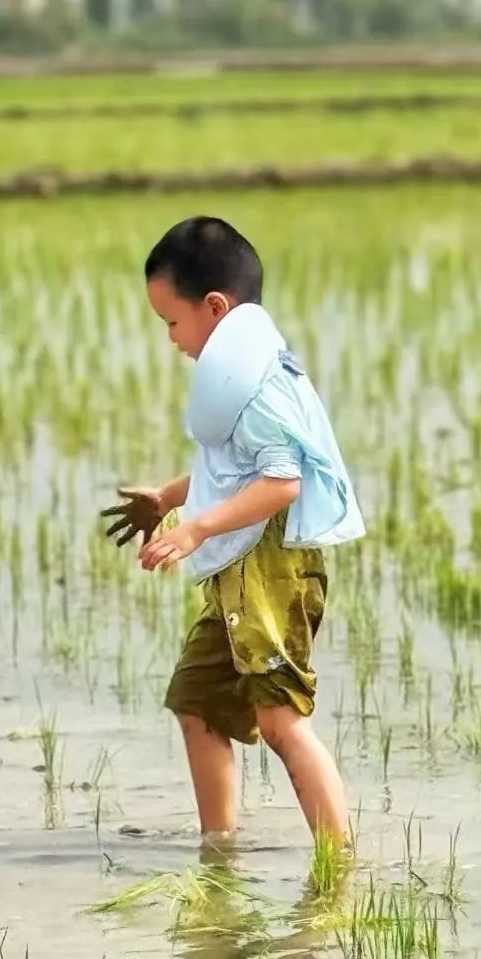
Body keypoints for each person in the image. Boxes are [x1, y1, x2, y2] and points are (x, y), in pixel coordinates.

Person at [103, 216, 363, 847]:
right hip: (235, 570)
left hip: (271, 569)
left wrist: (194, 530)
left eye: (171, 321)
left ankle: (339, 867)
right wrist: (167, 497)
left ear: (215, 307)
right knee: (197, 702)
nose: (169, 338)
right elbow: (231, 469)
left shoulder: (264, 384)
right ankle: (219, 853)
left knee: (280, 719)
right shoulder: (238, 375)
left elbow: (280, 483)